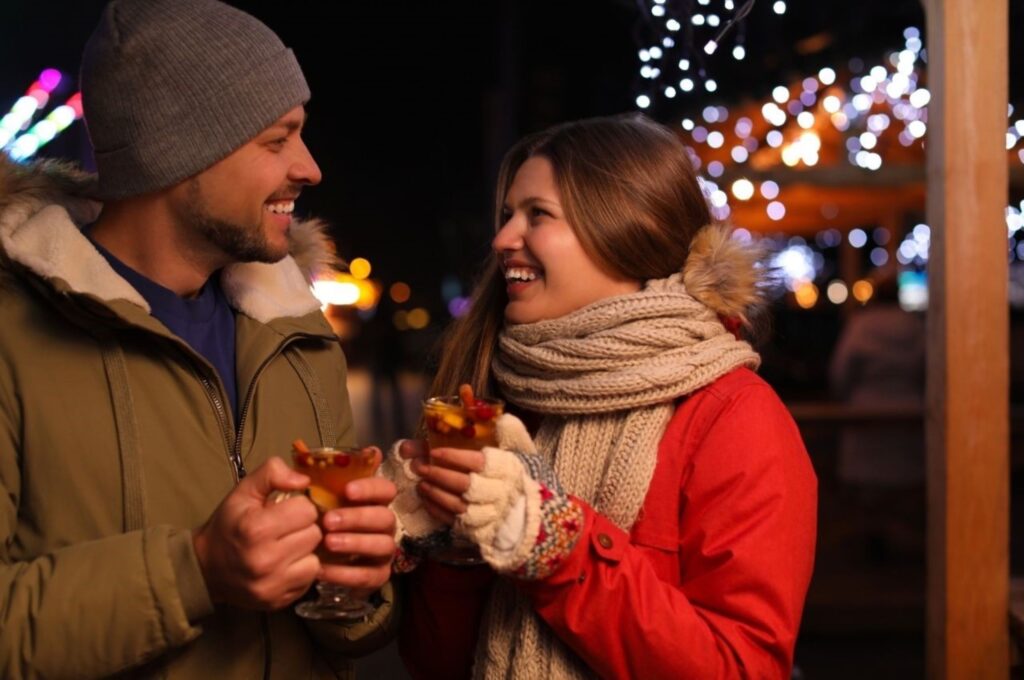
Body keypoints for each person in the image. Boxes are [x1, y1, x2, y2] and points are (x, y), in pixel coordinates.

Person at [0, 1, 397, 677]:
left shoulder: (297, 333)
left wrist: (360, 586)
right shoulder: (15, 336)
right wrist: (197, 573)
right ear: (176, 154)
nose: (309, 167)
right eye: (277, 140)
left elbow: (348, 631)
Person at [386, 114, 818, 679]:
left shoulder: (734, 417)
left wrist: (552, 542)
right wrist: (452, 543)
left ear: (624, 231)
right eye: (507, 215)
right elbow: (435, 663)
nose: (502, 240)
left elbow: (742, 668)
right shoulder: (501, 394)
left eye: (537, 215)